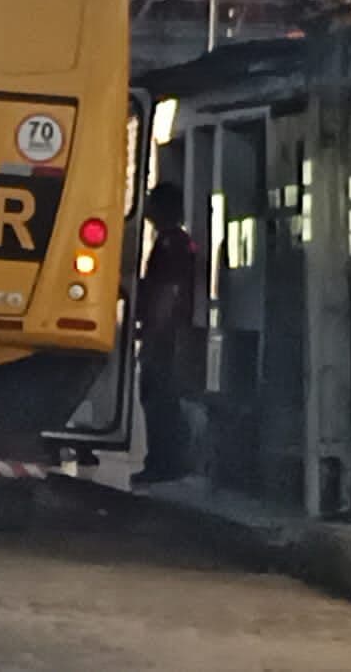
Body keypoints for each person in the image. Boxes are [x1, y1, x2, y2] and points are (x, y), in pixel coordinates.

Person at [133, 181, 198, 486]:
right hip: (164, 333)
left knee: (159, 397)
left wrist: (154, 332)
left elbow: (168, 291)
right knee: (157, 396)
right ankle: (162, 459)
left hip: (165, 336)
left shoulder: (172, 244)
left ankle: (163, 461)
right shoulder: (172, 242)